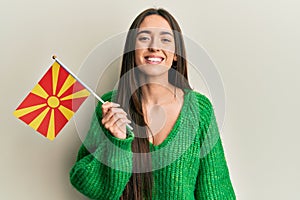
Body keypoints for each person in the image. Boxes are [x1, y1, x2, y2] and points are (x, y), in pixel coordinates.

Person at [70, 8, 236, 200]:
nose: (154, 47)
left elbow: (216, 191)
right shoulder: (110, 107)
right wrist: (118, 142)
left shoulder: (199, 109)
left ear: (176, 54)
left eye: (165, 39)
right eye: (144, 38)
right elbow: (88, 184)